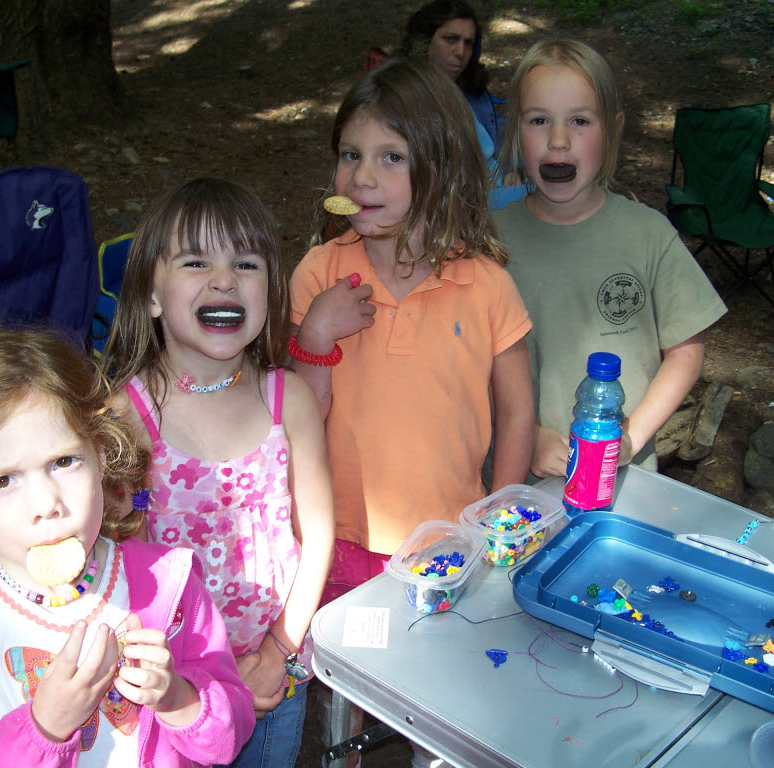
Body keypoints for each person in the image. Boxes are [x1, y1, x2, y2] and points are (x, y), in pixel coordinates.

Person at [290, 56, 532, 768]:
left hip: (446, 545)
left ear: (443, 167)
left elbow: (516, 413)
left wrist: (499, 523)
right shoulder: (318, 272)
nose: (362, 176)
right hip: (342, 537)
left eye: (391, 157)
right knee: (347, 683)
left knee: (434, 689)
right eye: (351, 155)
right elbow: (297, 417)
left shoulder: (485, 283)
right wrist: (313, 338)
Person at [0, 327, 254, 768]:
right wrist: (45, 729)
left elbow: (231, 733)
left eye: (63, 462)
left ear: (100, 455)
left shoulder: (166, 584)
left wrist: (177, 698)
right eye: (3, 480)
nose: (46, 505)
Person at [100, 178, 335, 768]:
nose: (225, 278)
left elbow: (318, 538)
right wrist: (164, 676)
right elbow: (109, 557)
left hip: (271, 669)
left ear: (269, 292)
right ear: (151, 295)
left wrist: (279, 651)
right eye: (195, 260)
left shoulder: (291, 401)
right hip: (172, 683)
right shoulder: (127, 416)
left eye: (246, 263)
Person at [492, 39, 727, 479]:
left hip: (621, 486)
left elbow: (686, 352)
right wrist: (526, 436)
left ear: (613, 129)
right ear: (513, 130)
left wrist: (632, 438)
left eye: (580, 121)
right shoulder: (487, 240)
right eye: (539, 120)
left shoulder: (648, 234)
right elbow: (459, 363)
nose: (558, 141)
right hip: (512, 486)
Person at [398, 0, 528, 209]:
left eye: (468, 43)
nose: (460, 52)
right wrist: (466, 183)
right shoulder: (403, 100)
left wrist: (513, 171)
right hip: (463, 208)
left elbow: (495, 144)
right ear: (424, 42)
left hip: (499, 188)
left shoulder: (466, 93)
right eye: (451, 39)